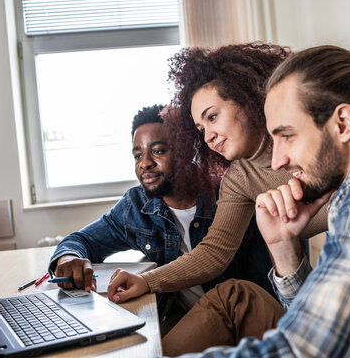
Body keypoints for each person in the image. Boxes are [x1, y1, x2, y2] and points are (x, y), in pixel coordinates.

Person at [107, 43, 350, 309]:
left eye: (212, 117)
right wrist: (149, 281)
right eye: (199, 127)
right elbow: (215, 252)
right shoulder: (240, 178)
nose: (208, 136)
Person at [48, 104, 272, 332]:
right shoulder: (136, 207)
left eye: (158, 151)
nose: (144, 163)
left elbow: (261, 282)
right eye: (137, 155)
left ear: (187, 151)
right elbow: (82, 240)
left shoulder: (231, 193)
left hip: (245, 321)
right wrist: (68, 258)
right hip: (182, 317)